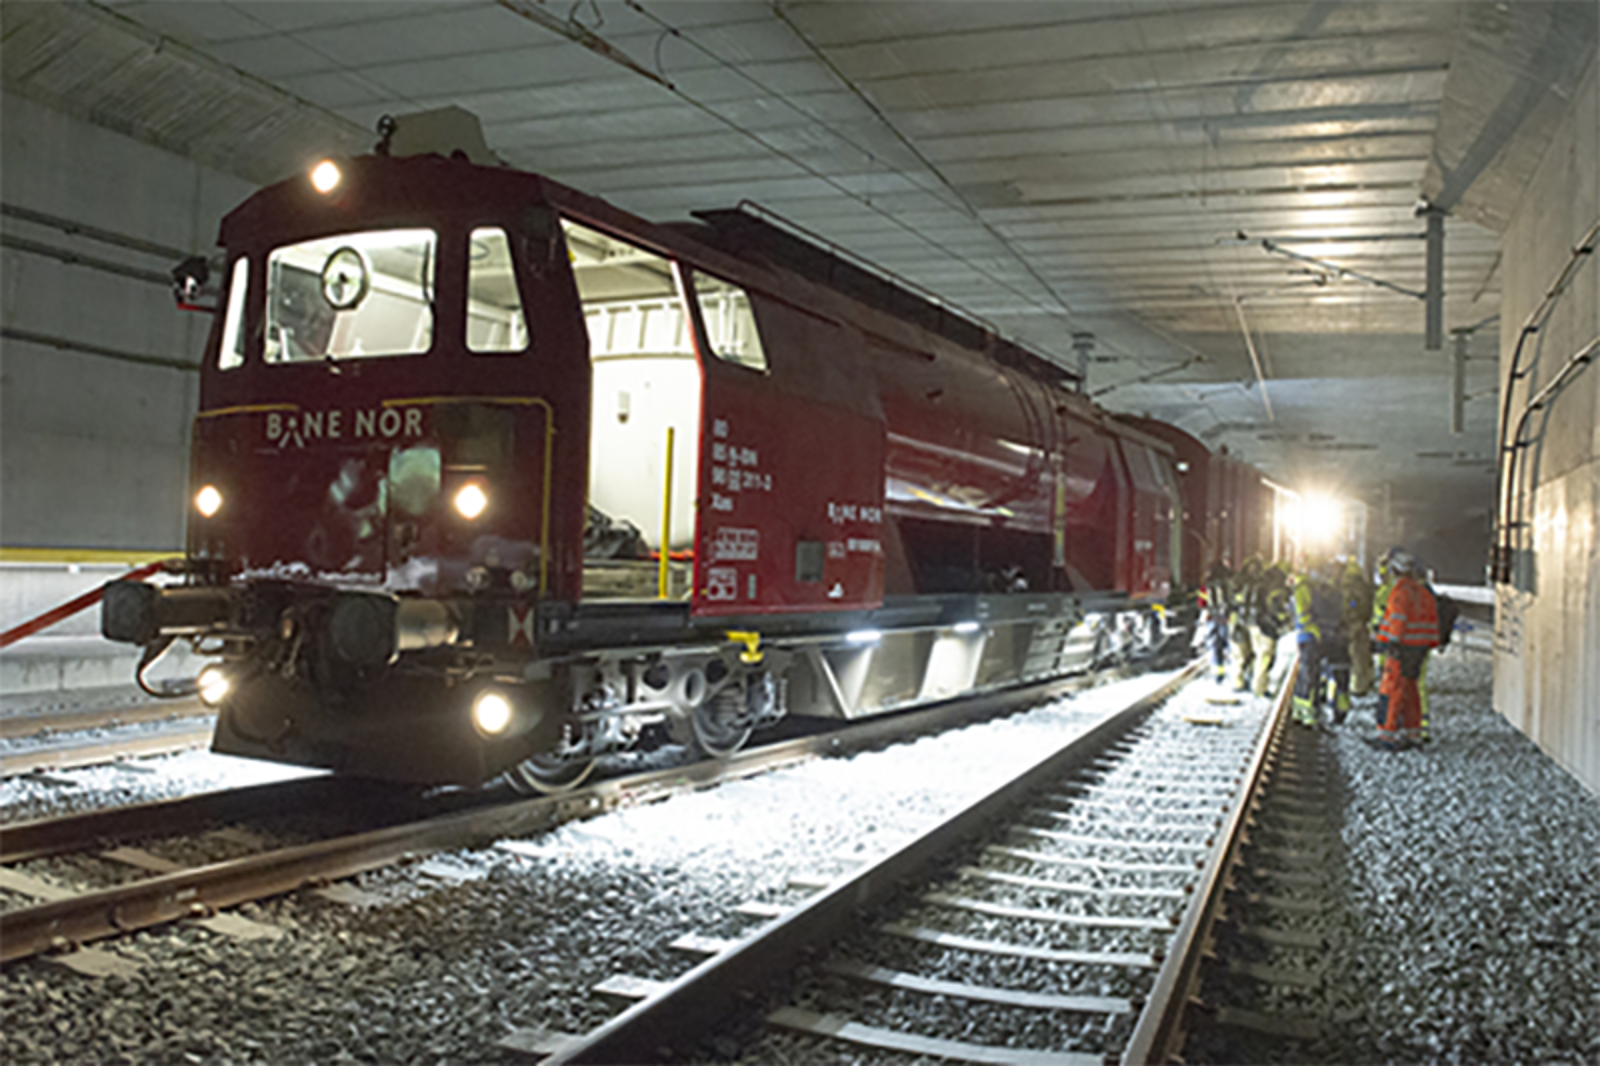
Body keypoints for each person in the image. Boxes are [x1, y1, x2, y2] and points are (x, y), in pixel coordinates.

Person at [1374, 549, 1439, 749]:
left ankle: (1386, 736)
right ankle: (1414, 735)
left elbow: (1398, 619)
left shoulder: (1401, 590)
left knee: (1391, 690)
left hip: (1401, 648)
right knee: (1411, 691)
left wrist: (1391, 643)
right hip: (1419, 650)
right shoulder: (1423, 591)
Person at [1292, 557, 1350, 726]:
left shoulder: (1333, 589)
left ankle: (1336, 710)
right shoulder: (1306, 587)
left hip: (1328, 636)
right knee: (1311, 675)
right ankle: (1306, 712)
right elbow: (1303, 615)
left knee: (1336, 671)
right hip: (1312, 637)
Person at [1248, 560, 1290, 697]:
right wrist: (1283, 621)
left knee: (1258, 654)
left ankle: (1254, 680)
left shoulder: (1259, 583)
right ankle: (1259, 687)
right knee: (1265, 656)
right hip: (1266, 626)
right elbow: (1277, 609)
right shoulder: (1276, 588)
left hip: (1252, 623)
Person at [1342, 556, 1375, 695]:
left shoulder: (1346, 586)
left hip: (1351, 623)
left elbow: (1348, 605)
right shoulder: (1364, 586)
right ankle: (1366, 681)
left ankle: (1357, 686)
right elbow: (1368, 605)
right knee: (1362, 654)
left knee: (1355, 655)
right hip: (1361, 623)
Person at [1230, 556, 1262, 690]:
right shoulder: (1239, 582)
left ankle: (1247, 678)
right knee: (1240, 654)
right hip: (1242, 621)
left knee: (1253, 653)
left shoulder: (1259, 582)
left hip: (1252, 622)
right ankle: (1239, 681)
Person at [1202, 559, 1234, 683]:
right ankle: (1236, 676)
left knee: (1216, 647)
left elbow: (1202, 602)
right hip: (1227, 619)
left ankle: (1218, 675)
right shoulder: (1230, 583)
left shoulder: (1207, 584)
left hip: (1212, 619)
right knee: (1232, 647)